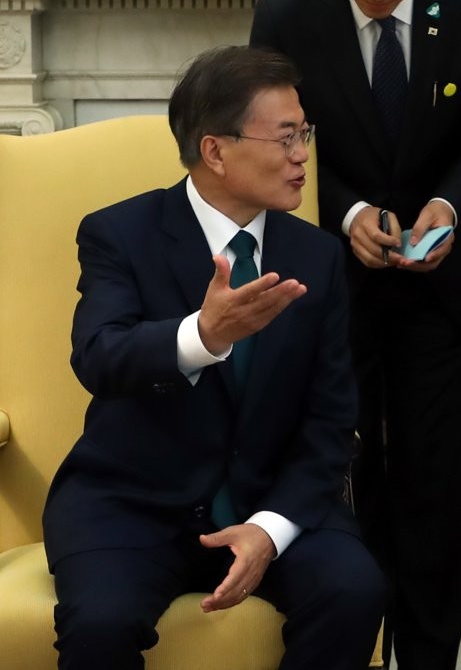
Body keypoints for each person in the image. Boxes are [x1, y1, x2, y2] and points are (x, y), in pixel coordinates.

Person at [42, 46, 385, 669]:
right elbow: (98, 356)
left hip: (271, 498)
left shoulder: (317, 256)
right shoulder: (120, 233)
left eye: (305, 134)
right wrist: (202, 335)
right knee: (101, 624)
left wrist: (270, 529)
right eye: (285, 138)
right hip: (133, 504)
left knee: (354, 591)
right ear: (216, 151)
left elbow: (332, 419)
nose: (303, 156)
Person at [249, 1, 461, 668]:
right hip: (331, 277)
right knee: (345, 471)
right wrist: (348, 213)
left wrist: (450, 204)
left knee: (434, 481)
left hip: (440, 280)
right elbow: (267, 132)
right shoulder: (287, 13)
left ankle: (430, 655)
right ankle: (357, 646)